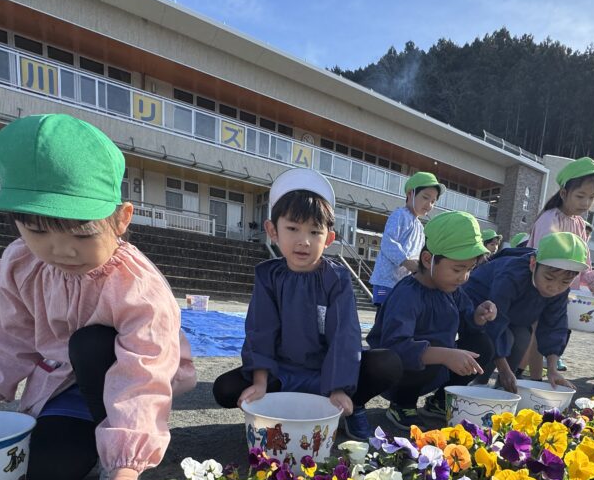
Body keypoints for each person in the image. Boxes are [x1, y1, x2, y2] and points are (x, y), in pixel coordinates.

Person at [0, 114, 197, 480]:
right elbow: (5, 329)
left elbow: (144, 369)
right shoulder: (22, 263)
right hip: (63, 384)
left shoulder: (137, 285)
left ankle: (117, 451)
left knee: (89, 343)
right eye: (38, 231)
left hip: (125, 373)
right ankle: (96, 431)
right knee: (49, 473)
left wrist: (125, 466)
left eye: (82, 233)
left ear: (121, 219)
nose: (61, 250)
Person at [212, 168, 402, 441]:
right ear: (272, 230)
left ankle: (351, 404)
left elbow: (344, 336)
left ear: (329, 239)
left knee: (387, 363)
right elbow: (260, 330)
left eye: (315, 232)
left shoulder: (336, 278)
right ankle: (285, 405)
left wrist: (339, 388)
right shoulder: (268, 276)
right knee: (225, 388)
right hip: (282, 373)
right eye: (292, 228)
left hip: (327, 372)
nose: (304, 241)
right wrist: (260, 382)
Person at [366, 211, 497, 429]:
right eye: (457, 269)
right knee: (435, 345)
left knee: (482, 345)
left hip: (435, 368)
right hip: (399, 375)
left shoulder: (452, 290)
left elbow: (467, 324)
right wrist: (444, 355)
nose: (463, 277)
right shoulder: (408, 295)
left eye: (469, 269)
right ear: (428, 260)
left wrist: (478, 315)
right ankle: (402, 404)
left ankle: (440, 400)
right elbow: (395, 346)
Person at [462, 232, 584, 393]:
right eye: (548, 278)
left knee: (522, 337)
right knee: (500, 339)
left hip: (514, 314)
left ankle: (502, 389)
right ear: (533, 264)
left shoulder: (559, 290)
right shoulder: (511, 275)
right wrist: (504, 370)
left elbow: (554, 325)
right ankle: (476, 384)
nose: (554, 287)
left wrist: (553, 370)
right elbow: (494, 323)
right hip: (480, 305)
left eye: (565, 282)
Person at [526, 157, 594, 377]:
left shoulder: (580, 224)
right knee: (533, 332)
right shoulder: (549, 219)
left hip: (561, 289)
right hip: (541, 285)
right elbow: (542, 256)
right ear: (564, 193)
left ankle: (537, 377)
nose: (585, 203)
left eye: (591, 198)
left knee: (550, 332)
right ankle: (524, 376)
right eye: (580, 196)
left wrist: (591, 282)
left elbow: (584, 257)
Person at [368, 171, 442, 305]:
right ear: (410, 194)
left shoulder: (420, 226)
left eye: (433, 201)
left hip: (403, 282)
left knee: (397, 316)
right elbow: (388, 242)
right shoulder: (399, 215)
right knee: (384, 311)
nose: (429, 205)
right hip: (385, 282)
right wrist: (406, 261)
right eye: (425, 197)